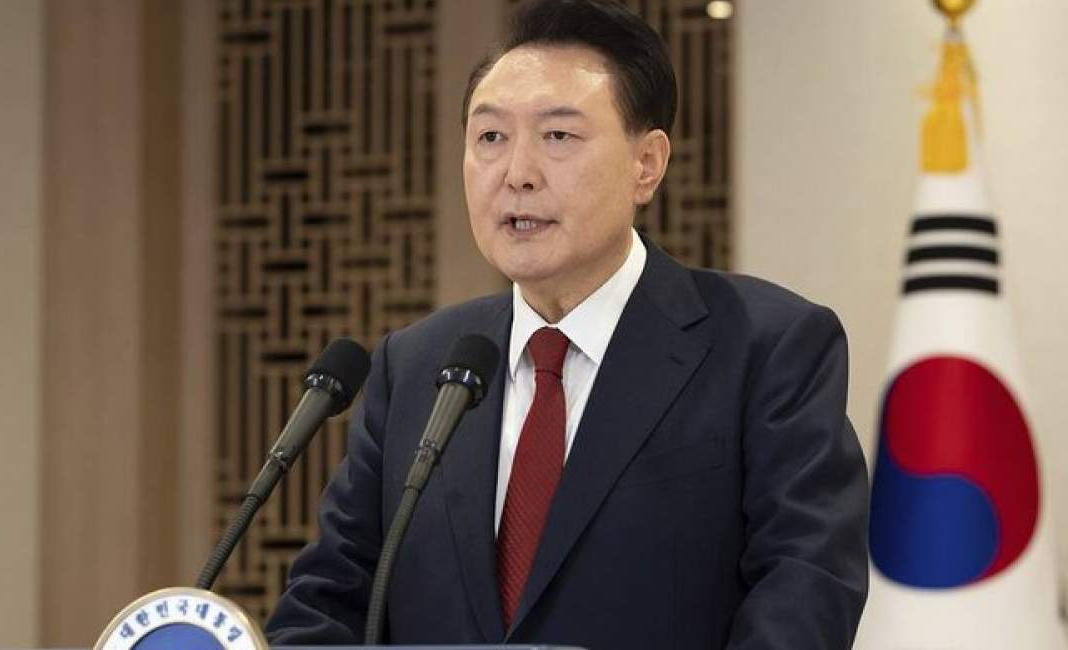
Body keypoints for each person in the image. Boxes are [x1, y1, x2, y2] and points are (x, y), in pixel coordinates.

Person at [265, 0, 869, 647]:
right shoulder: (414, 367)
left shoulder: (767, 348)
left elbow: (804, 592)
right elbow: (326, 602)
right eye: (490, 137)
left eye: (558, 136)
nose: (517, 174)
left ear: (647, 164)